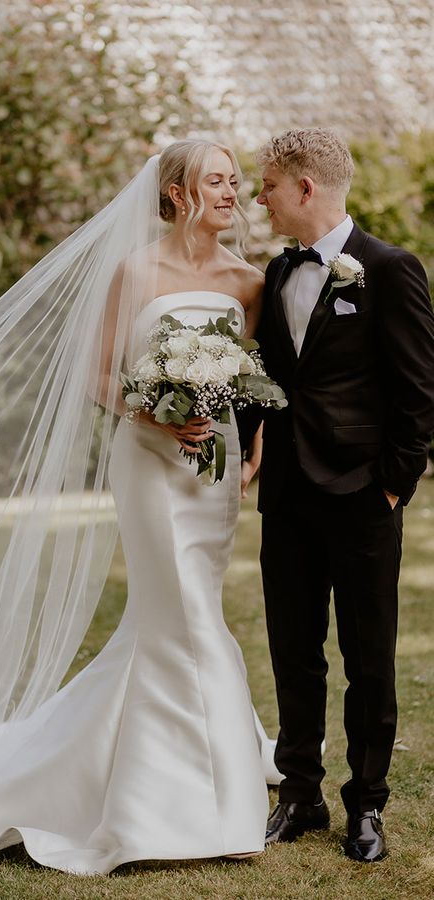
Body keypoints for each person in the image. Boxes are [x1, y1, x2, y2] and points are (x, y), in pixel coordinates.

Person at [0, 140, 278, 874]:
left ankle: (153, 767)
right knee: (184, 613)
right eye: (217, 181)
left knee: (180, 612)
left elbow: (249, 379)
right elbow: (100, 377)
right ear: (176, 194)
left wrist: (250, 445)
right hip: (148, 461)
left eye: (235, 181)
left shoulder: (249, 281)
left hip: (213, 468)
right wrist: (154, 412)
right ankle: (203, 799)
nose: (233, 193)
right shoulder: (136, 271)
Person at [254, 127, 434, 862]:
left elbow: (419, 391)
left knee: (369, 658)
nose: (259, 197)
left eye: (268, 185)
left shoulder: (389, 268)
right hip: (286, 497)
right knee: (294, 653)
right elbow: (273, 377)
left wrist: (392, 486)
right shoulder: (276, 271)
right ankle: (300, 793)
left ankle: (367, 804)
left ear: (306, 187)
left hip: (362, 496)